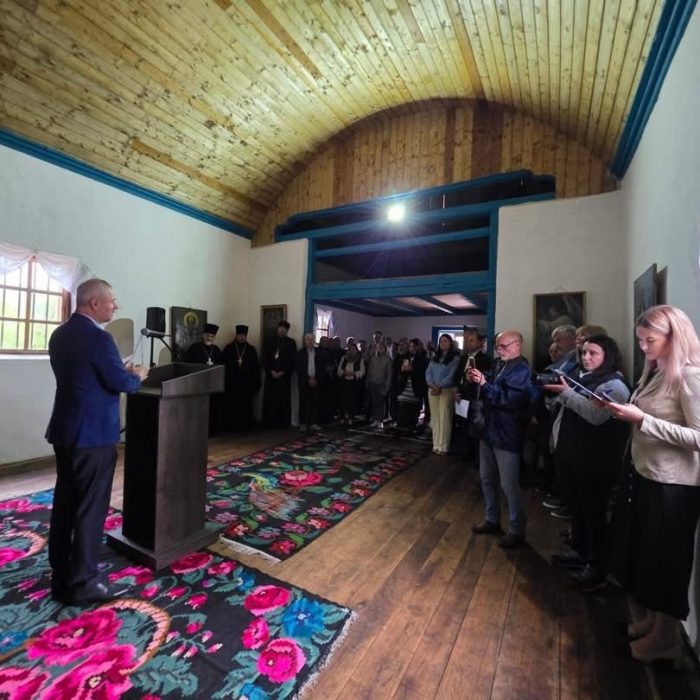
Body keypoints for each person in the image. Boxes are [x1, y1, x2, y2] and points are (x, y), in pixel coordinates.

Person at [606, 305, 700, 665]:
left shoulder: (690, 376)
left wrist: (643, 420)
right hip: (647, 475)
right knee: (650, 557)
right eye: (640, 340)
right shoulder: (656, 372)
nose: (643, 347)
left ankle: (666, 639)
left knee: (667, 562)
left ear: (674, 337)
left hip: (673, 486)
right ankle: (654, 624)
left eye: (650, 340)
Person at [46, 278, 149, 605]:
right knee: (90, 507)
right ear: (94, 303)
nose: (115, 306)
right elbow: (120, 383)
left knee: (66, 501)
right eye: (112, 300)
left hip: (65, 430)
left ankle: (61, 569)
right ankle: (84, 582)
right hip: (93, 435)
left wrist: (119, 370)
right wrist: (136, 375)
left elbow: (86, 377)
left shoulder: (60, 334)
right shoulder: (99, 337)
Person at [548, 335, 630, 592]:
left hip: (595, 462)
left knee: (593, 514)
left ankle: (597, 567)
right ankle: (581, 552)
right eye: (583, 353)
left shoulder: (615, 385)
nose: (586, 357)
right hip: (575, 457)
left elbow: (596, 416)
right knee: (578, 509)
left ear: (607, 355)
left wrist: (566, 393)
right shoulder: (584, 379)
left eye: (593, 353)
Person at [468, 330, 538, 548]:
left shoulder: (522, 370)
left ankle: (516, 530)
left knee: (509, 484)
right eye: (497, 346)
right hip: (489, 430)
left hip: (507, 434)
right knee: (487, 478)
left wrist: (484, 383)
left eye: (504, 346)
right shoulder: (500, 365)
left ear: (517, 345)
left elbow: (508, 400)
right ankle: (492, 519)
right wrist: (479, 379)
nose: (499, 350)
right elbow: (492, 385)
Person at [221, 324, 261, 431]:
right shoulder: (228, 348)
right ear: (236, 335)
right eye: (240, 335)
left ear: (246, 336)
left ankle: (245, 427)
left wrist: (256, 384)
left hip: (246, 385)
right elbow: (223, 366)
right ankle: (230, 427)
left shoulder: (251, 350)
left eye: (244, 335)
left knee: (245, 406)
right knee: (231, 406)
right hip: (231, 384)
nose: (242, 337)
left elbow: (256, 368)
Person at [426, 334, 460, 454]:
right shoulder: (435, 357)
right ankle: (436, 444)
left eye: (445, 341)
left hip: (446, 390)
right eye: (441, 341)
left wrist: (440, 386)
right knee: (435, 418)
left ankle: (443, 446)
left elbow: (452, 375)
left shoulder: (455, 358)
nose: (443, 343)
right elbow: (428, 372)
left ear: (450, 343)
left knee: (445, 418)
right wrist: (431, 384)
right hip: (433, 390)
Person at [262, 320, 297, 428]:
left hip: (284, 378)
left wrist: (283, 371)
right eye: (280, 328)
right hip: (271, 376)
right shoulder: (269, 341)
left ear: (287, 331)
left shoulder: (291, 343)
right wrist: (271, 371)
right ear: (277, 329)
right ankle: (269, 423)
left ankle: (282, 423)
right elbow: (265, 358)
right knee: (270, 400)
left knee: (282, 400)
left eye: (284, 329)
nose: (282, 330)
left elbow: (292, 360)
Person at [297, 332, 322, 431]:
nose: (310, 341)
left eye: (311, 339)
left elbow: (321, 368)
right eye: (308, 339)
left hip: (316, 381)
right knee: (303, 403)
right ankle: (303, 423)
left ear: (314, 340)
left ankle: (313, 423)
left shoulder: (319, 352)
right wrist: (308, 379)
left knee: (314, 403)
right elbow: (299, 369)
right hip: (304, 382)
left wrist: (316, 379)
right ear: (305, 341)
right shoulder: (300, 353)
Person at [366, 341, 392, 428]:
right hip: (373, 383)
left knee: (381, 403)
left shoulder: (388, 359)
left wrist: (387, 388)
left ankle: (380, 420)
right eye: (378, 347)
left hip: (382, 384)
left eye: (382, 347)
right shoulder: (373, 358)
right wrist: (368, 382)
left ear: (385, 349)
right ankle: (375, 419)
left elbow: (389, 375)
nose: (380, 349)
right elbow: (369, 371)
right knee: (374, 402)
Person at [338, 343, 365, 425]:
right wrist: (344, 373)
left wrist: (353, 373)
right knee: (343, 400)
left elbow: (362, 372)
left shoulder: (360, 359)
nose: (352, 351)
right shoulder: (344, 358)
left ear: (356, 350)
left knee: (352, 401)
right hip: (345, 382)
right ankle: (343, 417)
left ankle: (351, 417)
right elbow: (339, 370)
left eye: (354, 349)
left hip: (354, 382)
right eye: (350, 349)